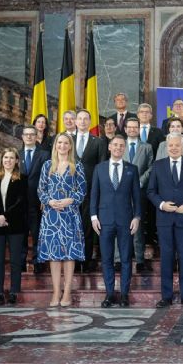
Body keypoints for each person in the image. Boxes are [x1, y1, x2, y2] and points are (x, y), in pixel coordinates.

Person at [148, 133, 183, 308]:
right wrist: (162, 204)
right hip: (164, 219)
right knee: (166, 258)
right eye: (170, 145)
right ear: (166, 147)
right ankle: (167, 296)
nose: (173, 148)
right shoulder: (157, 166)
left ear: (182, 147)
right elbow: (151, 191)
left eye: (177, 145)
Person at [90, 135, 141, 308]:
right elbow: (94, 195)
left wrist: (137, 217)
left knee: (126, 258)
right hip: (104, 221)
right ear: (110, 147)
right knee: (107, 259)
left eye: (121, 145)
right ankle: (110, 294)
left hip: (126, 220)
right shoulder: (99, 168)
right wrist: (93, 217)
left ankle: (125, 294)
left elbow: (137, 196)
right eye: (115, 145)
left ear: (124, 148)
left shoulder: (132, 169)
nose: (118, 148)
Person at [37, 133, 86, 307]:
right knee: (54, 255)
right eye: (60, 143)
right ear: (55, 145)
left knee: (69, 254)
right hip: (51, 216)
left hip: (70, 214)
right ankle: (56, 291)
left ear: (70, 146)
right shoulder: (47, 166)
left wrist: (70, 200)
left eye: (66, 143)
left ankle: (67, 292)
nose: (63, 146)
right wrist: (49, 201)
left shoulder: (77, 166)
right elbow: (41, 190)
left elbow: (82, 190)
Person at [0, 148, 28, 306]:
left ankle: (14, 293)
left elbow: (21, 202)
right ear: (2, 160)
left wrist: (6, 217)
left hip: (15, 225)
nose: (8, 160)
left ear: (17, 161)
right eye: (5, 157)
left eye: (11, 158)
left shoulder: (22, 179)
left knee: (15, 261)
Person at [74, 109, 107, 272]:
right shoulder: (67, 140)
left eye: (85, 119)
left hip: (90, 191)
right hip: (69, 191)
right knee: (72, 227)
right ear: (75, 121)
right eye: (79, 119)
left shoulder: (98, 142)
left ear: (90, 121)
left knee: (87, 227)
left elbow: (101, 167)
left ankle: (85, 261)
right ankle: (72, 261)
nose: (82, 121)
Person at [123, 117, 153, 273]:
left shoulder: (147, 147)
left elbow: (151, 167)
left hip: (139, 191)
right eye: (130, 127)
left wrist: (140, 181)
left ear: (139, 129)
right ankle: (118, 259)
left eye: (136, 127)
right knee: (120, 224)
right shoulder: (119, 145)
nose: (133, 129)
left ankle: (140, 259)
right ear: (126, 129)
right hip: (121, 192)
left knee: (138, 225)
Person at [19, 125, 50, 274]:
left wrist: (46, 199)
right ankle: (20, 262)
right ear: (22, 137)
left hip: (38, 202)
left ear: (36, 136)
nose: (29, 137)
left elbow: (49, 179)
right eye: (27, 134)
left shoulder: (44, 155)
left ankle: (38, 262)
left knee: (38, 233)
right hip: (19, 203)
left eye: (32, 134)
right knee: (20, 234)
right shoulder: (16, 155)